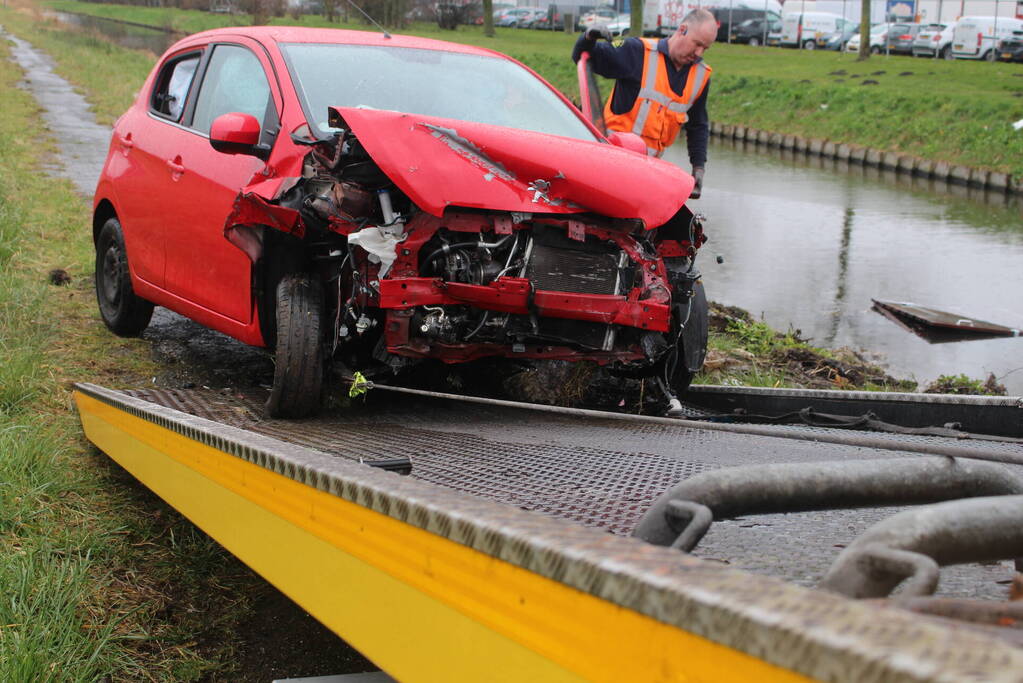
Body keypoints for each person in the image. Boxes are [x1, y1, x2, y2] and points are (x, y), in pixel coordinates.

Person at [572, 9, 716, 199]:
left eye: (705, 48)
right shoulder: (637, 51)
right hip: (608, 166)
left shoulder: (700, 76)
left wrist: (698, 168)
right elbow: (584, 56)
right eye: (697, 44)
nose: (698, 53)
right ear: (682, 30)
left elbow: (698, 126)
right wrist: (589, 37)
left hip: (645, 176)